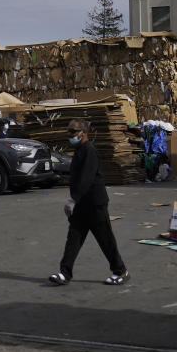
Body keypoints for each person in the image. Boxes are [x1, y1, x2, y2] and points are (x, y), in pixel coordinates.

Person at [49, 118, 129, 286]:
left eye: (72, 132)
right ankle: (65, 273)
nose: (69, 135)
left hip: (95, 204)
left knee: (105, 239)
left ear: (82, 133)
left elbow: (86, 178)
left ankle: (121, 271)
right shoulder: (79, 150)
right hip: (81, 205)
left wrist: (73, 199)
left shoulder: (89, 150)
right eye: (68, 131)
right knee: (73, 239)